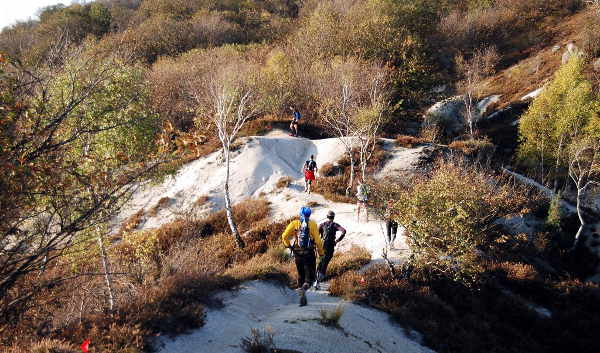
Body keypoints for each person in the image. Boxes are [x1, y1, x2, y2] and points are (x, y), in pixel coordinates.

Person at [281, 206, 324, 306]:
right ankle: (304, 288)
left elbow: (284, 236)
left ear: (300, 214)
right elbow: (318, 241)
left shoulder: (294, 223)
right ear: (309, 215)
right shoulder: (312, 224)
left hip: (297, 252)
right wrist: (321, 253)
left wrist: (289, 246)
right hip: (309, 253)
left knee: (301, 275)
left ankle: (301, 291)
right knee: (310, 277)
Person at [317, 210, 346, 282]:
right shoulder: (335, 225)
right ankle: (321, 276)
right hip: (330, 245)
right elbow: (344, 231)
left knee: (321, 260)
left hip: (322, 245)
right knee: (326, 261)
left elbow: (316, 235)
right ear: (333, 217)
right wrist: (337, 240)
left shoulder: (322, 224)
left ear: (327, 217)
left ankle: (316, 275)